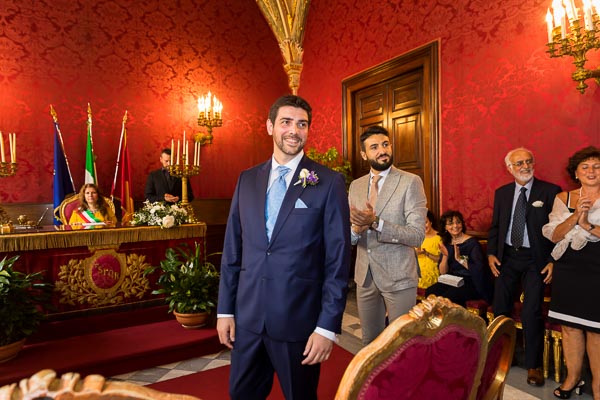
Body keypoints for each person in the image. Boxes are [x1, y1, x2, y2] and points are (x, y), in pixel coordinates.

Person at [216, 94, 351, 399]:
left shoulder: (328, 182)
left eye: (302, 124)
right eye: (286, 122)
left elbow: (337, 260)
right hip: (248, 320)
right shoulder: (246, 179)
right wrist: (225, 309)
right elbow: (232, 250)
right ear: (269, 127)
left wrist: (326, 327)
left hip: (298, 323)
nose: (294, 130)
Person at [488, 147, 561, 387]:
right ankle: (498, 356)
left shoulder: (550, 192)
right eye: (518, 163)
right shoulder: (502, 193)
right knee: (500, 308)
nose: (524, 166)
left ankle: (534, 365)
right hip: (507, 257)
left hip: (535, 260)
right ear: (509, 168)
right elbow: (496, 227)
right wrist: (490, 254)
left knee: (531, 312)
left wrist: (552, 260)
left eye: (528, 161)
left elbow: (559, 231)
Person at [348, 125, 426, 345]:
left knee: (402, 345)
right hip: (365, 276)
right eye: (374, 147)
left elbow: (417, 235)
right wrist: (355, 230)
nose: (382, 150)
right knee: (370, 343)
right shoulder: (355, 186)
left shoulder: (410, 181)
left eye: (385, 144)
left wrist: (376, 223)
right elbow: (348, 235)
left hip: (399, 275)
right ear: (364, 154)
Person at [542, 146, 600, 399]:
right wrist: (576, 216)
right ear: (575, 173)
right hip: (568, 268)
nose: (591, 171)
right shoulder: (562, 198)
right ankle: (573, 377)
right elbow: (554, 235)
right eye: (585, 167)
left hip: (596, 269)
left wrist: (587, 224)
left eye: (597, 166)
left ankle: (598, 384)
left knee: (596, 331)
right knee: (570, 328)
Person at [425, 210, 493, 306]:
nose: (455, 226)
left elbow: (479, 269)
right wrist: (445, 256)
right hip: (452, 280)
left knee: (449, 297)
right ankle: (437, 320)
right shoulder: (446, 243)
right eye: (451, 223)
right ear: (445, 227)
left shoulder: (472, 243)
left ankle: (453, 321)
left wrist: (460, 259)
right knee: (431, 292)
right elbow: (443, 272)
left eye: (458, 222)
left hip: (471, 281)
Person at [416, 210, 442, 289]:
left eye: (425, 222)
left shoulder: (439, 238)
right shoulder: (417, 236)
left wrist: (426, 253)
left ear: (431, 222)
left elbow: (440, 259)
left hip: (432, 272)